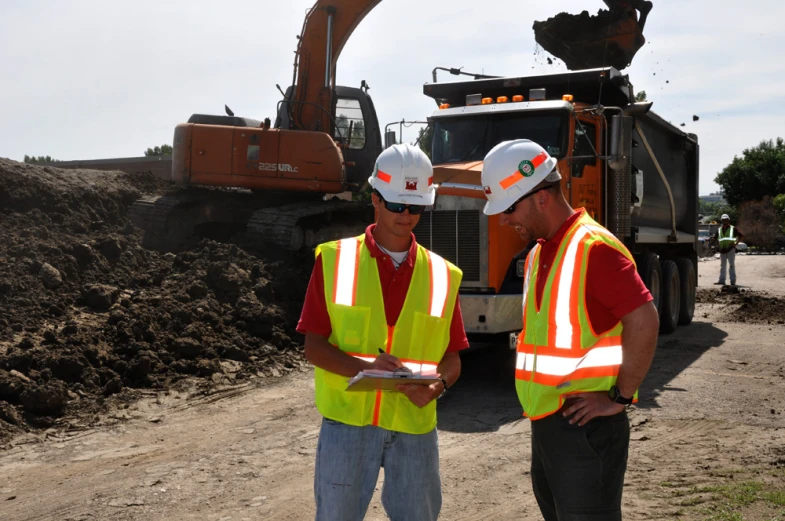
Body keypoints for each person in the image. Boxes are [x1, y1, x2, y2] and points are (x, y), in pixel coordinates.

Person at [480, 139, 660, 521]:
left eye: (509, 208)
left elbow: (644, 321)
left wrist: (621, 397)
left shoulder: (595, 248)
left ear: (541, 197)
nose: (503, 220)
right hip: (549, 424)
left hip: (587, 430)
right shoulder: (538, 253)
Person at [297, 143, 469, 521]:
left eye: (416, 207)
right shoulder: (334, 260)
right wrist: (365, 367)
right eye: (397, 205)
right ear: (375, 199)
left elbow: (452, 358)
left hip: (414, 426)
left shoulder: (443, 275)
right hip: (348, 426)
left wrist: (438, 388)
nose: (406, 216)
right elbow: (313, 346)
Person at [712, 213, 743, 286]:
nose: (724, 221)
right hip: (722, 250)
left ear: (728, 220)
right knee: (723, 266)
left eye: (726, 220)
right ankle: (721, 281)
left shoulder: (733, 228)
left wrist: (735, 244)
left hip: (730, 249)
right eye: (723, 220)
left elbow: (741, 236)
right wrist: (717, 244)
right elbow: (715, 238)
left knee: (731, 265)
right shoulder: (719, 230)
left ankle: (732, 281)